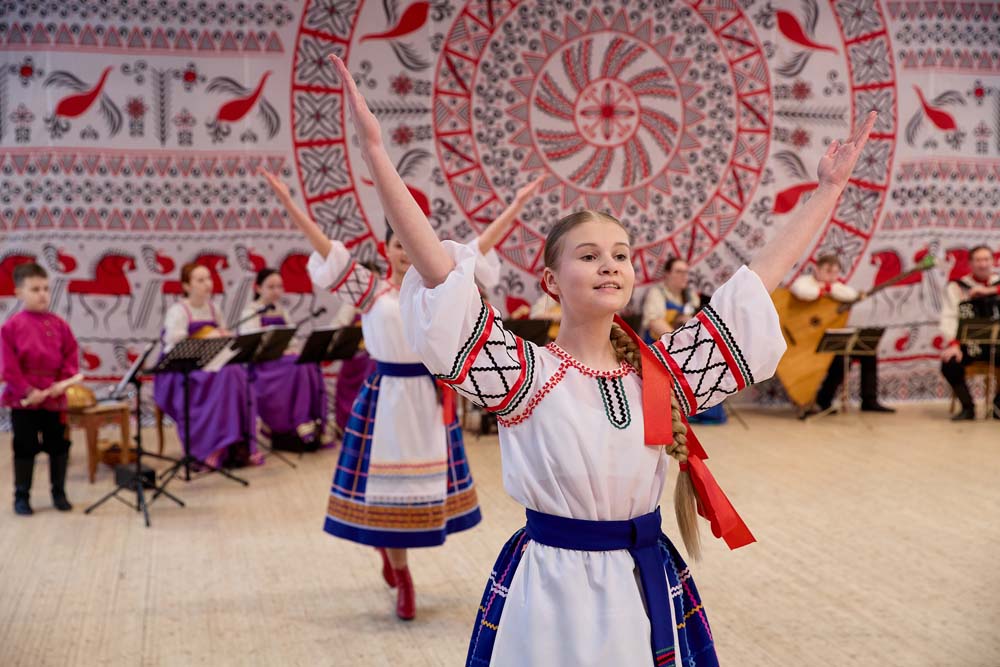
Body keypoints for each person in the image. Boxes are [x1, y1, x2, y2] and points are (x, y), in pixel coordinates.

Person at [330, 53, 875, 665]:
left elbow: (755, 284)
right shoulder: (522, 374)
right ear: (551, 280)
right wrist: (376, 152)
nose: (610, 265)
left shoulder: (661, 373)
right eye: (588, 255)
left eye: (620, 254)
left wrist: (827, 190)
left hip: (643, 588)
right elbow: (436, 272)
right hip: (553, 592)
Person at [263, 166, 542, 621]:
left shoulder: (437, 288)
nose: (405, 252)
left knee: (418, 486)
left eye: (411, 245)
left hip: (428, 399)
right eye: (397, 245)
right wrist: (290, 202)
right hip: (387, 398)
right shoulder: (370, 290)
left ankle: (393, 556)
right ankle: (403, 576)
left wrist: (516, 206)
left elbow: (478, 249)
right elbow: (326, 249)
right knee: (386, 488)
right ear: (387, 249)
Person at [153, 263, 257, 468]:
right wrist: (204, 338)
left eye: (208, 278)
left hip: (211, 363)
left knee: (237, 373)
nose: (207, 284)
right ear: (186, 286)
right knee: (225, 376)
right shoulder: (178, 310)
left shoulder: (213, 308)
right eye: (200, 280)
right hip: (183, 368)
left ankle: (235, 445)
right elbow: (173, 347)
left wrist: (223, 336)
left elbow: (222, 336)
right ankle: (209, 448)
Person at [2, 263, 80, 515]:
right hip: (23, 399)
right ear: (19, 293)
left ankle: (59, 493)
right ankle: (21, 496)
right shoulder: (11, 327)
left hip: (53, 397)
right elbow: (9, 366)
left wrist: (61, 383)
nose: (43, 294)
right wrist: (27, 391)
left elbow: (70, 357)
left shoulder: (59, 325)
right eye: (35, 289)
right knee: (24, 446)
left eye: (46, 288)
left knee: (58, 445)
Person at [790, 254, 895, 415]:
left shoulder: (836, 287)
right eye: (827, 271)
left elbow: (851, 295)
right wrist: (825, 288)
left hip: (827, 339)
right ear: (817, 269)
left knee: (868, 351)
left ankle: (869, 400)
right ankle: (823, 402)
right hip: (806, 341)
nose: (831, 276)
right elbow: (802, 292)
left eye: (835, 272)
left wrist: (830, 288)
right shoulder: (805, 282)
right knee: (840, 360)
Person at [237, 268, 328, 450]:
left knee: (308, 362)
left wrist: (290, 349)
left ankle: (311, 422)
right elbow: (251, 345)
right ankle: (297, 421)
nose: (276, 291)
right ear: (258, 288)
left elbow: (292, 339)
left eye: (279, 286)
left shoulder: (282, 311)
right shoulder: (251, 312)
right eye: (271, 287)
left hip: (282, 363)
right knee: (298, 365)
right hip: (263, 367)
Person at [940, 244, 1000, 420]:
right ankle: (968, 407)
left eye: (986, 259)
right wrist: (954, 345)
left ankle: (998, 405)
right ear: (970, 264)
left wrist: (990, 290)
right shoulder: (957, 287)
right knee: (949, 363)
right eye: (978, 260)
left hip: (997, 345)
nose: (983, 264)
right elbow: (949, 317)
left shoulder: (997, 282)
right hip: (968, 345)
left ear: (993, 261)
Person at [641, 257, 700, 341]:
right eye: (679, 272)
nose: (684, 276)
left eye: (686, 272)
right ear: (667, 274)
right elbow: (654, 322)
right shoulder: (657, 293)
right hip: (658, 344)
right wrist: (679, 340)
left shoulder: (690, 295)